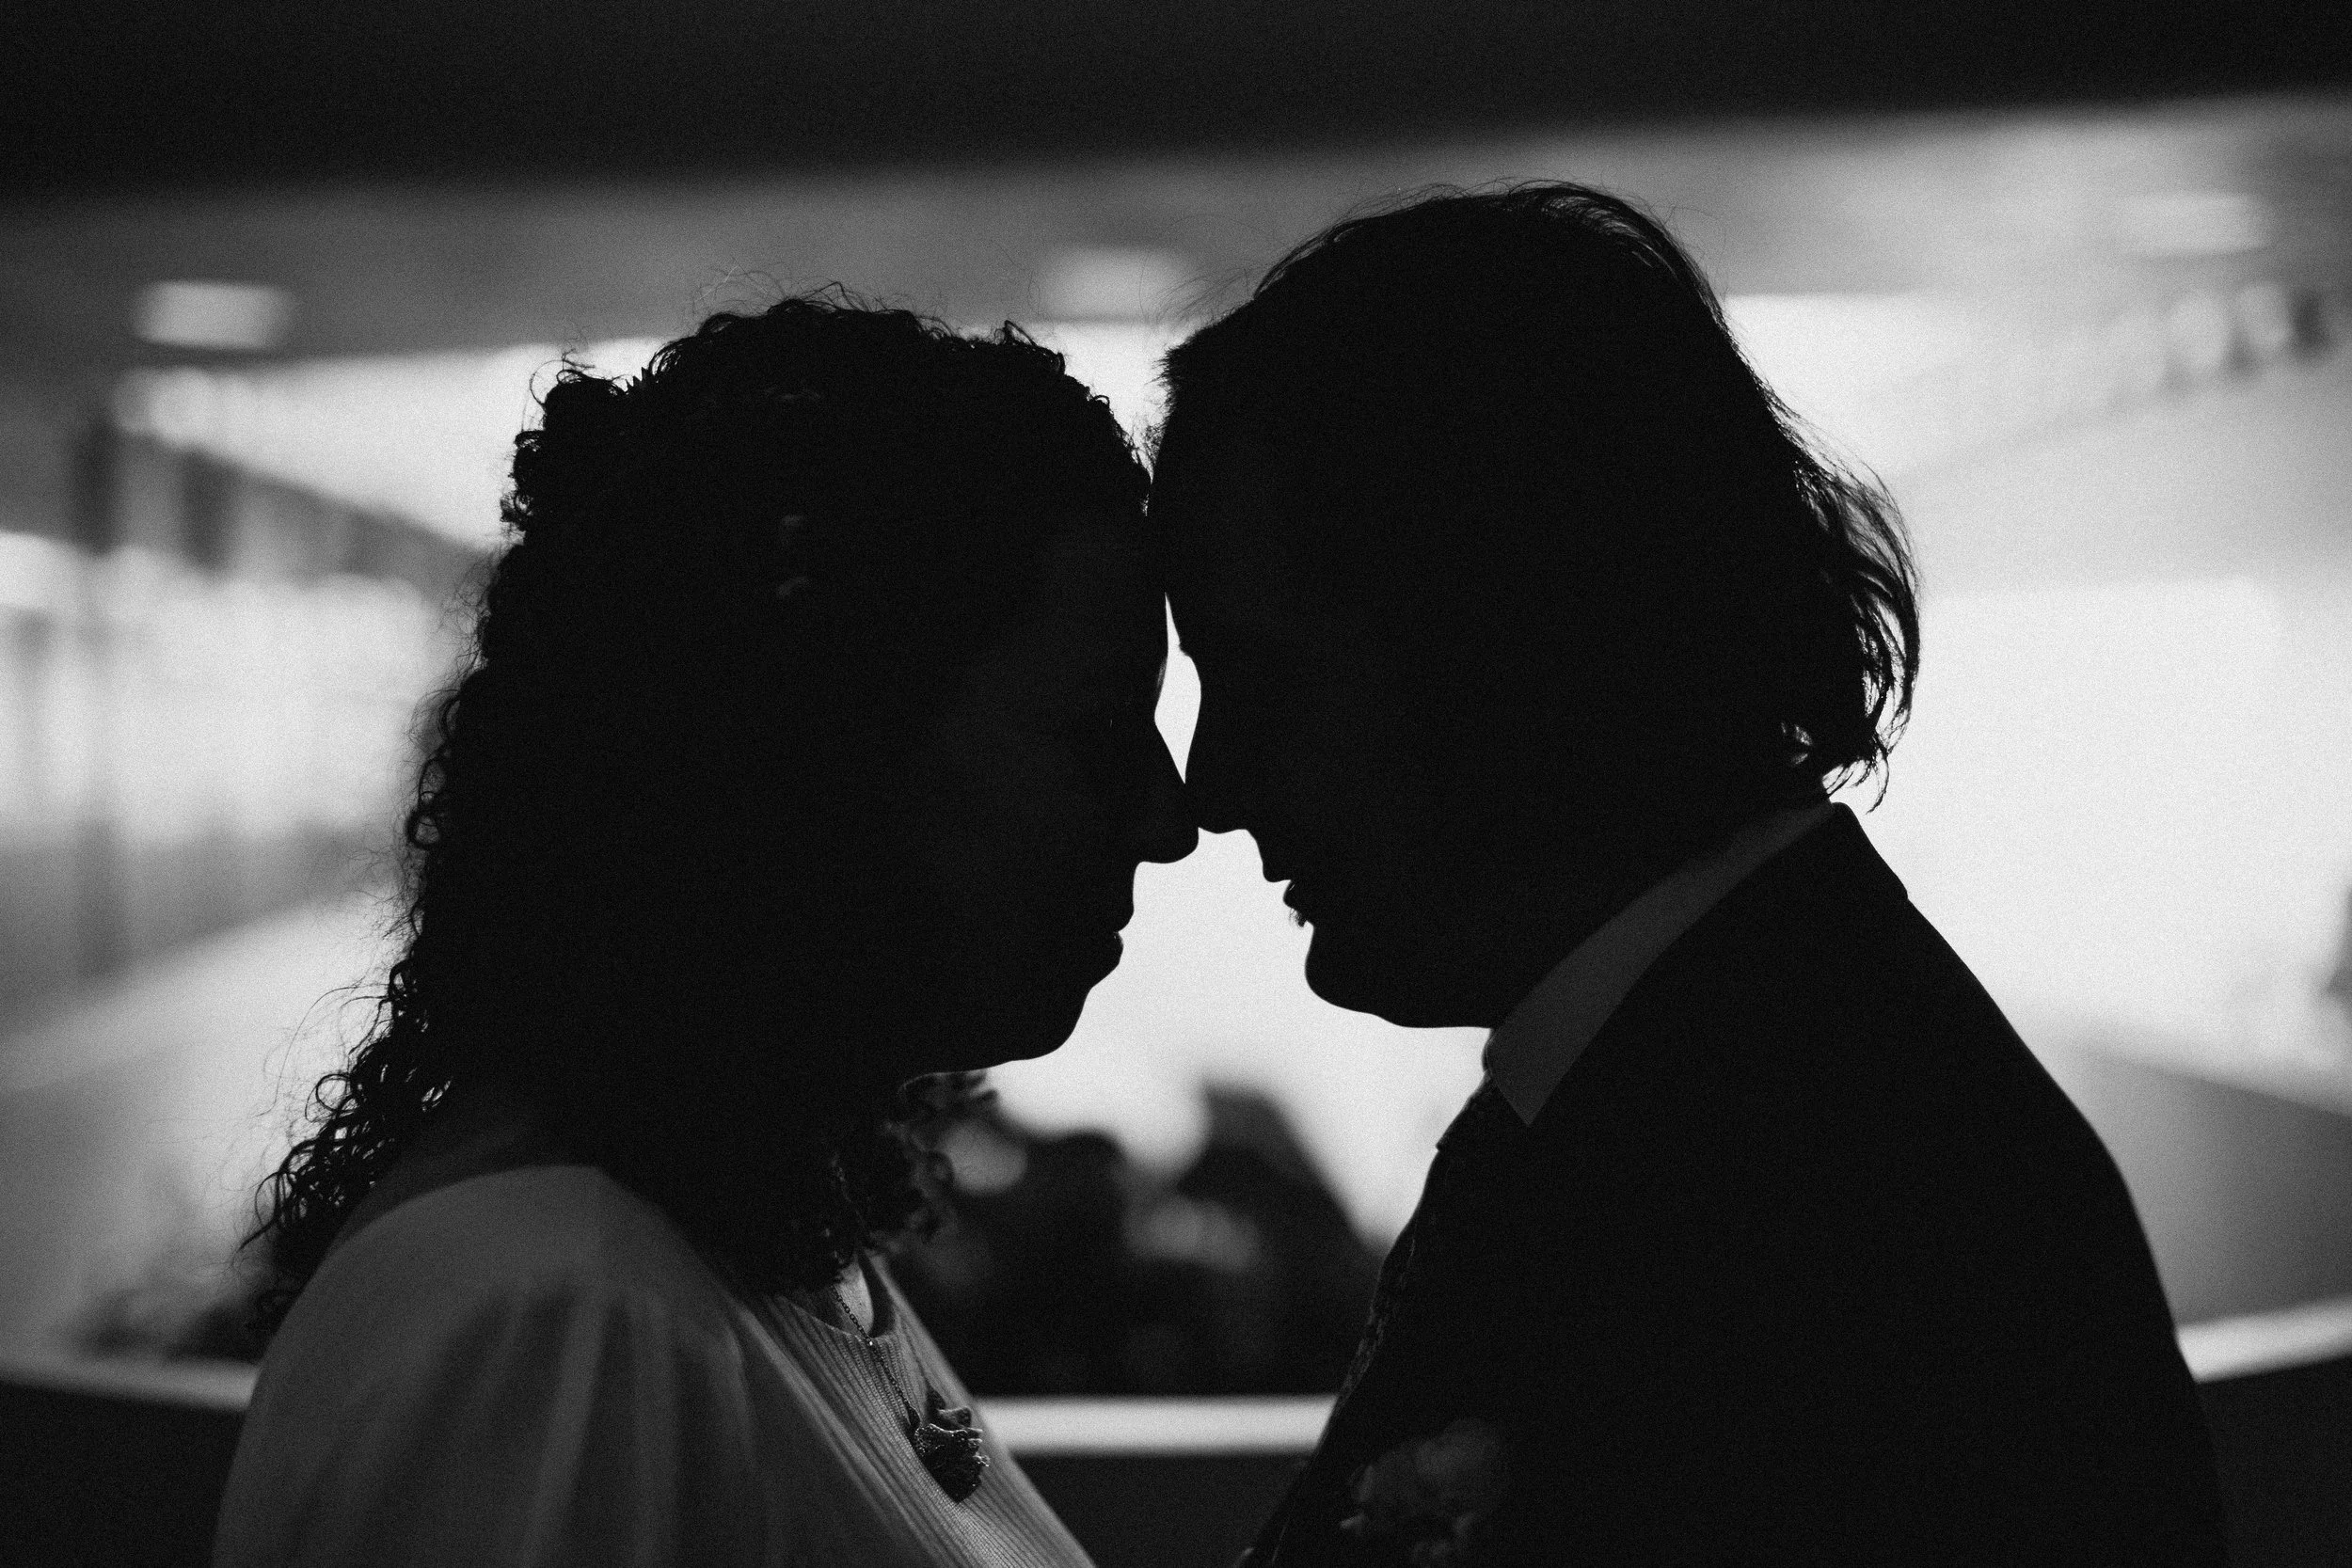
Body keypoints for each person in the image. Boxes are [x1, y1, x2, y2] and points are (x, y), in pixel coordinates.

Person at [1151, 185, 2228, 1563]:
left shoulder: (1817, 1216)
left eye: (1260, 677)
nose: (1207, 789)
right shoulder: (1763, 1090)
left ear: (1499, 643)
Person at [215, 294, 1194, 1566]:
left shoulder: (727, 1230)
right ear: (830, 751)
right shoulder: (551, 1314)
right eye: (1099, 729)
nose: (1171, 817)